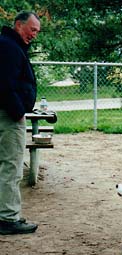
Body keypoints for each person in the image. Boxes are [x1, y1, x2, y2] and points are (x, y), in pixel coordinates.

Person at [0, 11, 40, 235]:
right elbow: (4, 84)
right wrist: (17, 112)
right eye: (32, 29)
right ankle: (7, 218)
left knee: (4, 165)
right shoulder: (8, 47)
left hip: (6, 113)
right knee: (11, 166)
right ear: (18, 25)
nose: (34, 35)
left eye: (37, 31)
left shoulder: (9, 45)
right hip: (8, 116)